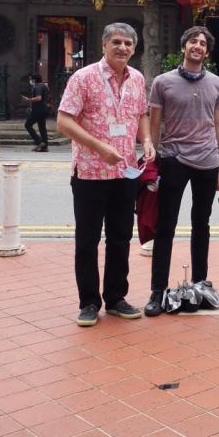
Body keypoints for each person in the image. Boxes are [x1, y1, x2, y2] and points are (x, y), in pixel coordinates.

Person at [57, 23, 155, 327]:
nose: (122, 48)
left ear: (134, 49)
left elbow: (141, 113)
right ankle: (88, 302)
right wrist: (99, 147)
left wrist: (147, 140)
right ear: (103, 45)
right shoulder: (84, 78)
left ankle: (115, 298)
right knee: (87, 240)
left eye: (127, 43)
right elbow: (63, 120)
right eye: (116, 42)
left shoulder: (137, 79)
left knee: (120, 238)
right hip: (89, 172)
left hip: (124, 172)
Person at [143, 26, 219, 317]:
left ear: (207, 51)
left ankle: (202, 284)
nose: (198, 46)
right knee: (166, 226)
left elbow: (217, 126)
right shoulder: (163, 82)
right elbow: (154, 125)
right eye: (193, 41)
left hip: (206, 160)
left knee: (201, 225)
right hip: (174, 158)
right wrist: (152, 164)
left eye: (203, 43)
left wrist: (218, 164)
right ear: (184, 46)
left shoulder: (216, 83)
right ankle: (157, 290)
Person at [21, 73, 50, 152]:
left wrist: (28, 99)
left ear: (34, 80)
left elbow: (38, 98)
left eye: (31, 79)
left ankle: (39, 142)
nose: (30, 81)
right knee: (42, 127)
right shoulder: (45, 86)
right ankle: (45, 146)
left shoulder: (37, 87)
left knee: (27, 125)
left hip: (38, 109)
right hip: (44, 109)